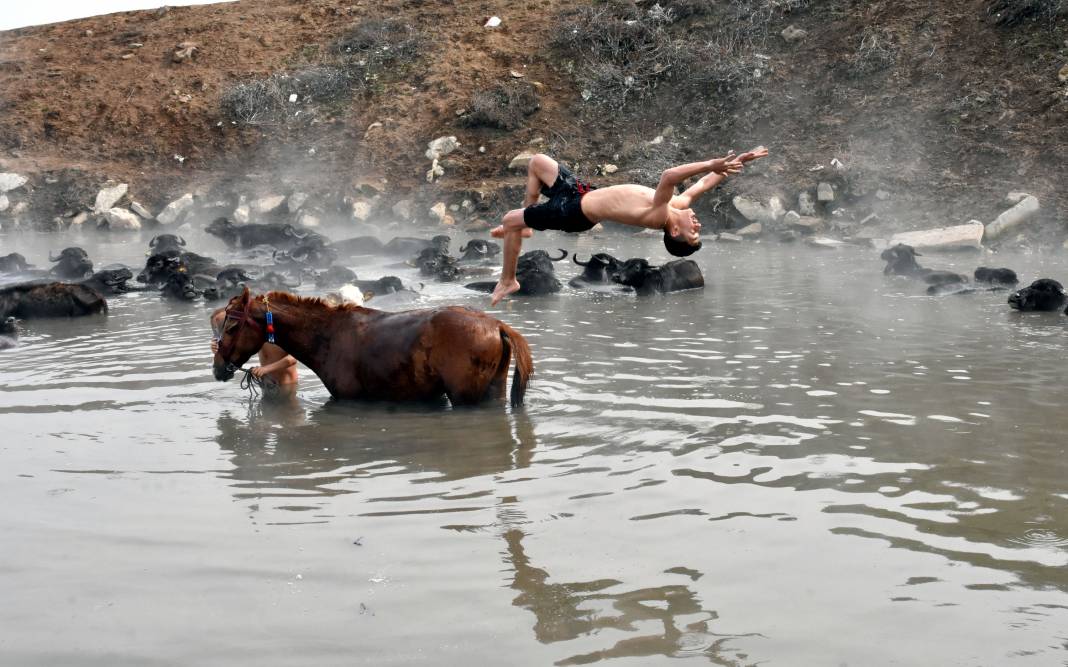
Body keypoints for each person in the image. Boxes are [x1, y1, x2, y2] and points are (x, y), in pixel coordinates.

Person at [488, 147, 770, 304]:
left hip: (573, 212)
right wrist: (736, 163)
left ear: (674, 231)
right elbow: (702, 184)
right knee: (538, 162)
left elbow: (669, 175)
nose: (697, 224)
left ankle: (508, 279)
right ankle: (526, 223)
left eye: (693, 232)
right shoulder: (676, 207)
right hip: (582, 193)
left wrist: (711, 160)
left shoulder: (658, 215)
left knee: (509, 220)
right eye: (698, 230)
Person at [210, 308, 299, 397]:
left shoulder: (282, 329)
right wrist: (219, 350)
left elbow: (293, 359)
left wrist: (265, 369)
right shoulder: (255, 335)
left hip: (286, 387)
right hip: (266, 386)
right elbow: (235, 357)